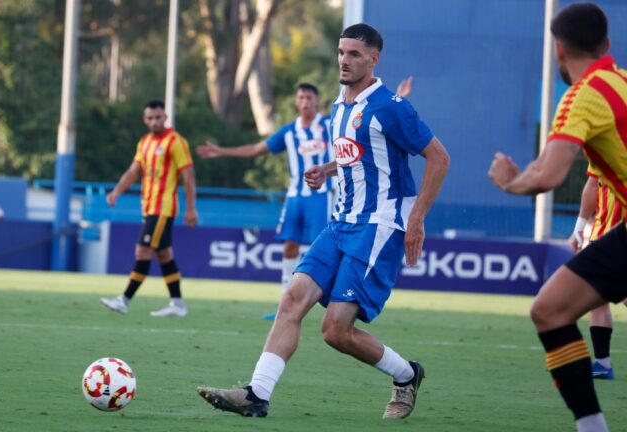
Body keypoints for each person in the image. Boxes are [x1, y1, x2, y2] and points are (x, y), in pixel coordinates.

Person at [197, 23, 450, 420]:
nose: (344, 61)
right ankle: (256, 394)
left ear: (373, 58)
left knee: (335, 331)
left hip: (378, 225)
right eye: (341, 52)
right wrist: (329, 169)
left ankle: (406, 375)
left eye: (353, 54)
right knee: (291, 299)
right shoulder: (340, 104)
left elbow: (439, 158)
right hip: (340, 222)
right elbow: (361, 154)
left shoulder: (389, 106)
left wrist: (416, 219)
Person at [488, 4, 626, 431]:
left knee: (549, 311)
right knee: (551, 308)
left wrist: (510, 183)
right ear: (606, 45)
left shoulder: (583, 96)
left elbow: (548, 174)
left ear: (559, 51)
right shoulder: (620, 81)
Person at [197, 79, 414, 320]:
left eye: (309, 98)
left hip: (321, 196)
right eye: (300, 98)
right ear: (296, 102)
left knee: (319, 246)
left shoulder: (328, 122)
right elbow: (259, 148)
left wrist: (398, 96)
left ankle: (324, 296)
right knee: (289, 245)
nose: (305, 102)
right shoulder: (289, 132)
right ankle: (285, 300)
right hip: (295, 197)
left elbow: (365, 122)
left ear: (316, 101)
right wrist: (221, 151)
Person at [100, 100, 198, 317]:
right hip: (148, 206)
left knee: (142, 251)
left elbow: (188, 175)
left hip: (162, 208)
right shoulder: (144, 142)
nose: (154, 121)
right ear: (145, 120)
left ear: (165, 117)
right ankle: (178, 304)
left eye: (158, 117)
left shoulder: (175, 141)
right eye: (150, 118)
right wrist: (116, 191)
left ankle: (123, 300)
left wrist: (191, 209)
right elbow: (134, 171)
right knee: (163, 255)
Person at [569, 173, 627, 381]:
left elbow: (592, 185)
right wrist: (579, 229)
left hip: (614, 236)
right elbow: (592, 185)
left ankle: (603, 364)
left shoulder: (608, 144)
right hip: (602, 236)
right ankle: (602, 363)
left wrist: (579, 228)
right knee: (596, 296)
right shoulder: (603, 146)